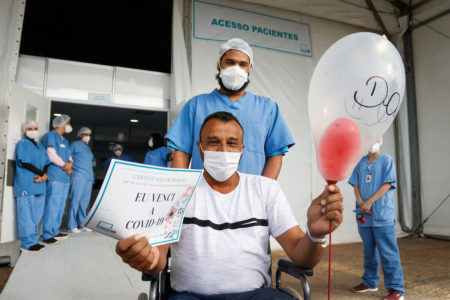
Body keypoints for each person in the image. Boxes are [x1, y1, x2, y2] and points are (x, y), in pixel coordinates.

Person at [116, 112, 343, 299]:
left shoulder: (265, 189)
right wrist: (147, 259)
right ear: (200, 147)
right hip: (190, 296)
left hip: (256, 296)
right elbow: (157, 259)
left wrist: (314, 235)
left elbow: (302, 257)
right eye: (213, 142)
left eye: (232, 143)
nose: (223, 150)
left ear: (242, 149)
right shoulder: (178, 189)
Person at [165, 38, 295, 179]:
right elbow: (182, 153)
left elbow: (275, 156)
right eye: (230, 62)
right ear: (219, 65)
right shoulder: (196, 105)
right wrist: (179, 194)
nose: (236, 69)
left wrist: (262, 193)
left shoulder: (268, 108)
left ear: (249, 68)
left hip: (251, 196)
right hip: (204, 193)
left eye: (242, 64)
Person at [349, 138, 405, 300]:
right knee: (369, 251)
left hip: (381, 214)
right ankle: (370, 282)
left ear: (381, 141)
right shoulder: (361, 163)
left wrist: (369, 202)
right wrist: (360, 202)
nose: (373, 141)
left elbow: (387, 184)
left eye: (376, 139)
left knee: (388, 252)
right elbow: (355, 184)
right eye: (370, 138)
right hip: (364, 214)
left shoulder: (386, 160)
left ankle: (396, 289)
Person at [14, 120, 51, 252]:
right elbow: (24, 162)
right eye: (30, 128)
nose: (33, 130)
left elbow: (47, 162)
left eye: (35, 128)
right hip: (26, 183)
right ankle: (27, 243)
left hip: (40, 184)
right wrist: (42, 174)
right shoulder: (22, 144)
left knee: (36, 214)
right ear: (25, 130)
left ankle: (33, 240)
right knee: (26, 214)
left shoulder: (40, 146)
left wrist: (44, 174)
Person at [41, 114, 73, 245]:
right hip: (55, 175)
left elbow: (70, 156)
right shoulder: (50, 136)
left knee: (60, 205)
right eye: (68, 123)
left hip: (65, 177)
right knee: (52, 204)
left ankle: (55, 230)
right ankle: (47, 234)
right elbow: (51, 154)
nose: (69, 126)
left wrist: (70, 164)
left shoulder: (65, 141)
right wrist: (64, 166)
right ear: (62, 123)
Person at [68, 127, 96, 234]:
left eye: (89, 134)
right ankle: (72, 225)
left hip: (89, 176)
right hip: (78, 175)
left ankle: (83, 223)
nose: (88, 136)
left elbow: (92, 161)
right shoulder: (75, 145)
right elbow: (68, 157)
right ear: (80, 135)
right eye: (86, 134)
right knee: (75, 200)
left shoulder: (88, 148)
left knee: (85, 202)